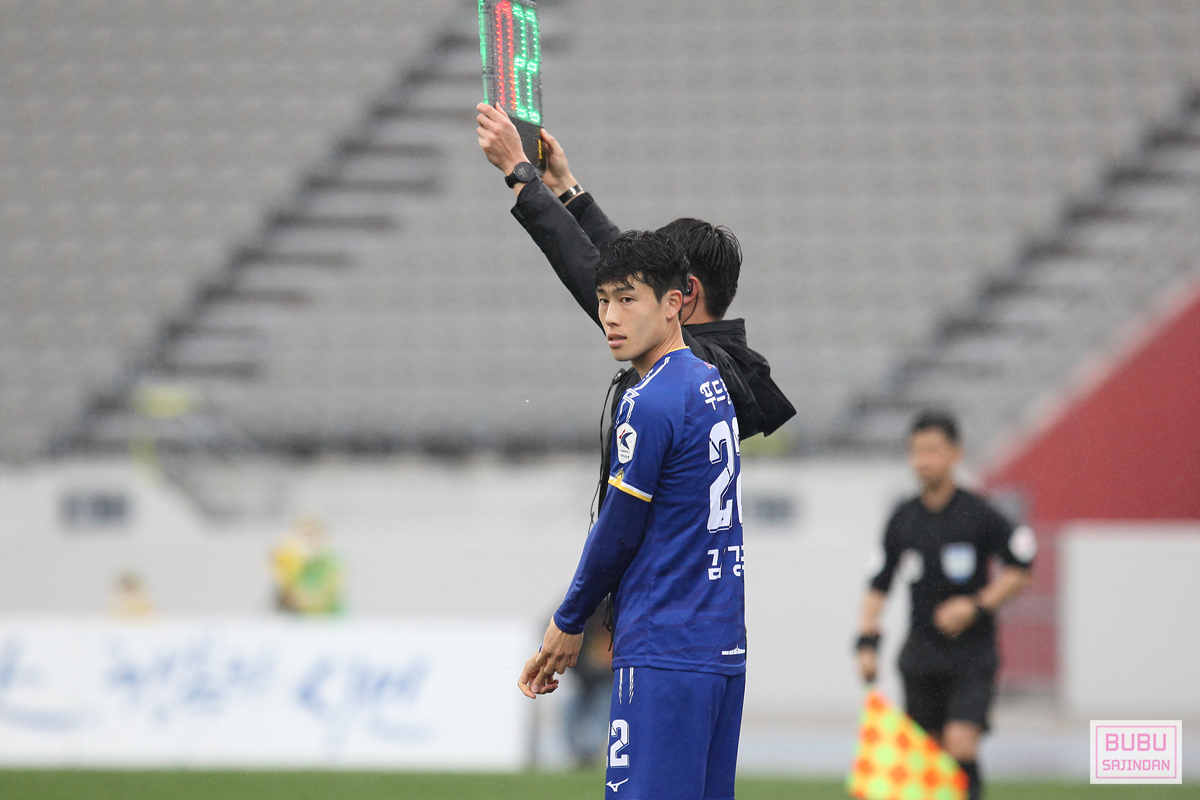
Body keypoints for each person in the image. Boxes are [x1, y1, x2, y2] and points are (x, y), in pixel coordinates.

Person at [518, 232, 746, 800]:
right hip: (720, 645)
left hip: (664, 646)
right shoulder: (709, 382)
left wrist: (570, 620)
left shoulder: (651, 399)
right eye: (603, 300)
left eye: (627, 299)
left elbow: (619, 528)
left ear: (674, 303)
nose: (610, 317)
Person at [476, 104, 794, 505]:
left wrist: (520, 174)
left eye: (630, 296)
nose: (617, 310)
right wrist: (567, 189)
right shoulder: (723, 365)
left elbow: (587, 270)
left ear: (682, 293)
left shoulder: (694, 366)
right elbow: (619, 267)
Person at [855, 411, 1036, 800]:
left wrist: (975, 606)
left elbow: (1021, 569)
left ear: (955, 454)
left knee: (961, 744)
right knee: (929, 762)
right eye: (916, 451)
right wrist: (866, 642)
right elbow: (878, 584)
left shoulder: (978, 513)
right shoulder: (902, 518)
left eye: (933, 451)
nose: (923, 461)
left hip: (971, 655)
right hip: (920, 656)